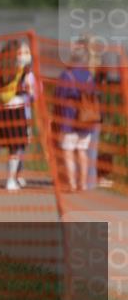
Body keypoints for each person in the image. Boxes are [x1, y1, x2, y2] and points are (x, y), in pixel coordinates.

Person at [0, 40, 34, 191]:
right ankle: (10, 181)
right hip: (16, 111)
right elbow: (30, 90)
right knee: (15, 148)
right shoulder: (23, 70)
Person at [54, 41, 100, 192]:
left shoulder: (66, 75)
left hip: (68, 120)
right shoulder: (89, 76)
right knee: (82, 151)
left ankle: (72, 184)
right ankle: (83, 183)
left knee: (68, 152)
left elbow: (58, 98)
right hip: (86, 120)